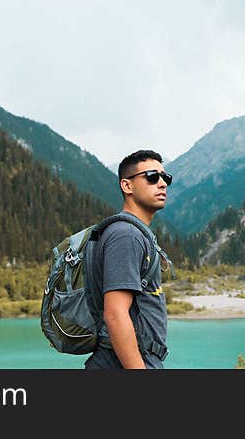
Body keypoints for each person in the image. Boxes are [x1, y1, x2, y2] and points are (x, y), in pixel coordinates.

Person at [84, 149, 173, 369]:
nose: (162, 183)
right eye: (152, 177)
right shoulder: (127, 235)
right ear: (127, 186)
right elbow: (115, 313)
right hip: (123, 363)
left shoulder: (133, 233)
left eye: (165, 177)